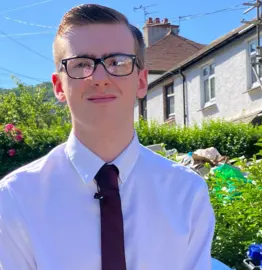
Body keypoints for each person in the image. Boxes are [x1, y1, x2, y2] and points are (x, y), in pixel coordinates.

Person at [0, 4, 215, 270]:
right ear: (58, 86)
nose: (100, 77)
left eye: (117, 62)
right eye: (81, 64)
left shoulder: (186, 193)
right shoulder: (16, 197)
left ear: (140, 81)